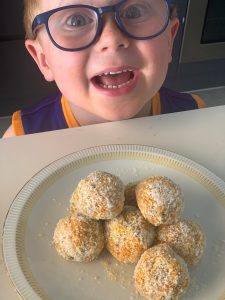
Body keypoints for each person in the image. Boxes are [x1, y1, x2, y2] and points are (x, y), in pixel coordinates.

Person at [3, 0, 205, 138]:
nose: (112, 39)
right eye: (76, 21)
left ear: (169, 39)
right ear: (43, 59)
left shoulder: (197, 117)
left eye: (134, 12)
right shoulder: (23, 136)